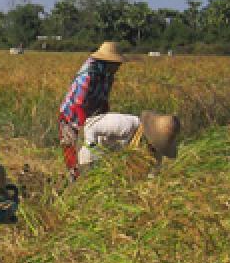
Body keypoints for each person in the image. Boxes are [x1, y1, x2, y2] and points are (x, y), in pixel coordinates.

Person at [58, 41, 126, 180]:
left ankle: (89, 177)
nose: (118, 67)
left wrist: (105, 118)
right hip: (72, 115)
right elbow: (78, 103)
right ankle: (74, 181)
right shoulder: (88, 74)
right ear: (108, 61)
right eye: (116, 64)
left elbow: (104, 99)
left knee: (94, 150)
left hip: (90, 113)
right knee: (72, 149)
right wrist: (85, 127)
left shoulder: (108, 74)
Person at [77, 111, 181, 171]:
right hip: (91, 157)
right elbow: (90, 126)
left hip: (112, 165)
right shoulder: (126, 124)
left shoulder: (154, 149)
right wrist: (96, 155)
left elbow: (154, 171)